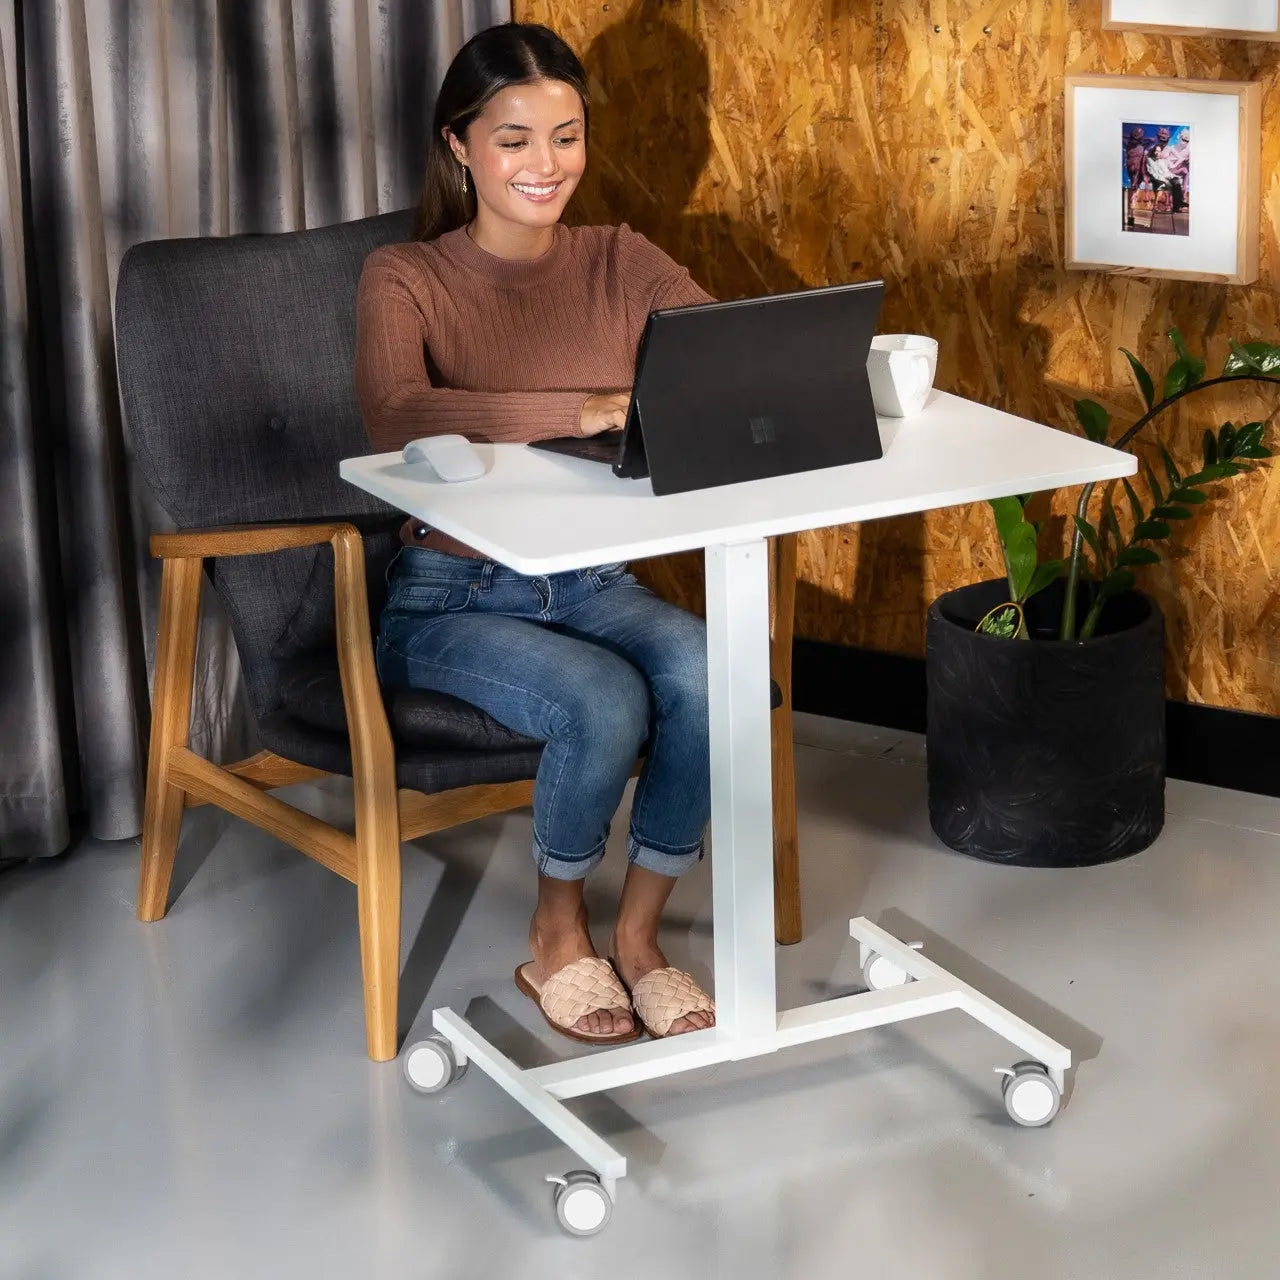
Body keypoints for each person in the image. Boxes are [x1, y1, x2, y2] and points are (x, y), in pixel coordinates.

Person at [355, 22, 717, 1045]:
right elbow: (395, 411)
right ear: (458, 145)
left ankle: (638, 938)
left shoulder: (620, 257)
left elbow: (715, 362)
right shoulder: (404, 275)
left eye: (564, 137)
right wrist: (580, 407)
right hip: (449, 594)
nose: (544, 165)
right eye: (514, 139)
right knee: (600, 697)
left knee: (703, 664)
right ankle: (558, 932)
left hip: (593, 583)